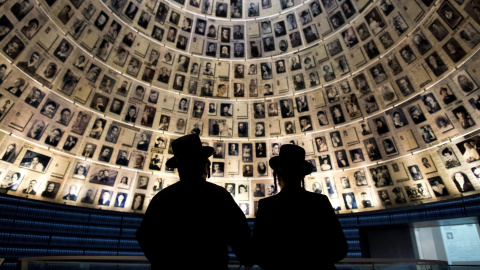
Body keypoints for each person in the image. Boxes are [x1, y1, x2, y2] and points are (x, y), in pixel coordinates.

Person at [136, 134, 252, 269]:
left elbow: (144, 235)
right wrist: (246, 258)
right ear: (205, 167)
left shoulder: (161, 198)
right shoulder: (219, 196)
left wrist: (162, 260)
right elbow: (239, 232)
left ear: (179, 170)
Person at [252, 144, 348, 269]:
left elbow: (258, 251)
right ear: (302, 176)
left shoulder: (267, 205)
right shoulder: (320, 201)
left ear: (277, 176)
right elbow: (340, 248)